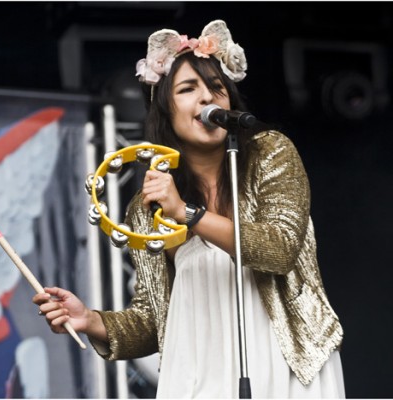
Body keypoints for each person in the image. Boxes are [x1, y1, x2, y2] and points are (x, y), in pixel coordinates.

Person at [33, 20, 346, 398]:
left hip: (285, 362)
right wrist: (90, 321)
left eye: (217, 87)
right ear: (165, 111)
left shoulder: (270, 152)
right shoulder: (148, 206)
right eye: (188, 89)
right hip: (197, 369)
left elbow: (279, 250)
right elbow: (153, 318)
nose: (207, 98)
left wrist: (190, 215)